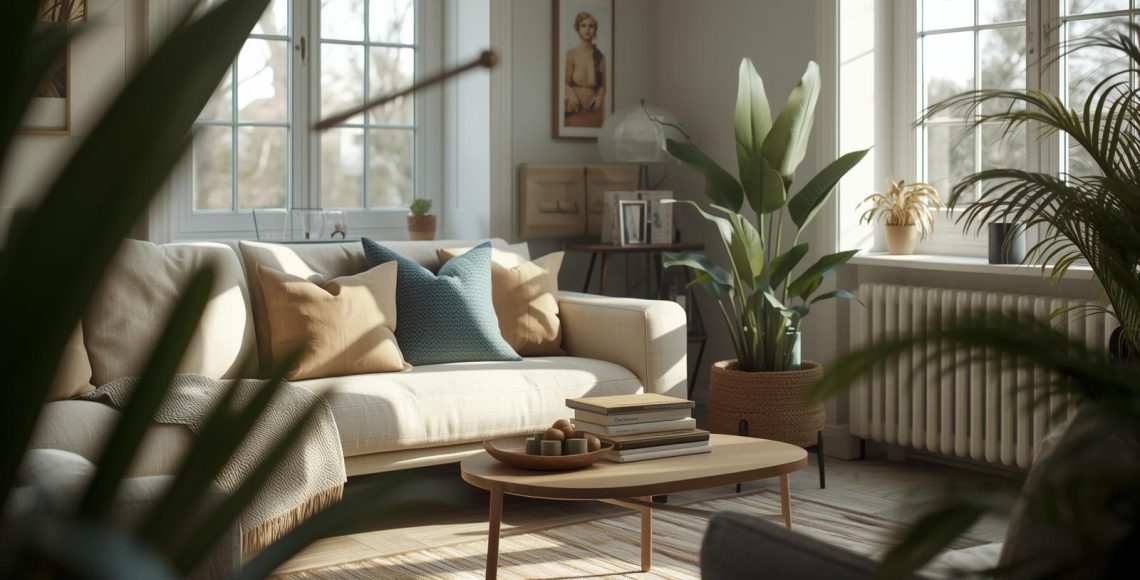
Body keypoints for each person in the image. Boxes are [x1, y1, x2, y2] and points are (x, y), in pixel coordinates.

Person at [564, 11, 606, 128]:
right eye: (583, 25)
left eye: (591, 26)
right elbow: (565, 83)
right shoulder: (571, 55)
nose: (587, 29)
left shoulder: (601, 57)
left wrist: (599, 98)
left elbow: (603, 85)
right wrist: (572, 96)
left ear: (595, 30)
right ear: (577, 28)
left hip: (596, 111)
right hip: (575, 109)